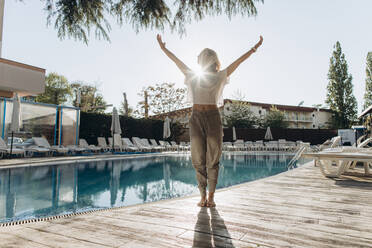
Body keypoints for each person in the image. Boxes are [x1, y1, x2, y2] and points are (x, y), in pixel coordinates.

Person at [157, 34, 263, 207]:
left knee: (213, 158)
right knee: (198, 158)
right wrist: (164, 48)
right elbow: (176, 61)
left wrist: (254, 48)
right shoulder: (192, 75)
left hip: (213, 118)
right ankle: (202, 195)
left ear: (210, 60)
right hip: (196, 118)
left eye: (203, 57)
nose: (200, 60)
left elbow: (238, 62)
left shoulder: (221, 75)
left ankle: (211, 196)